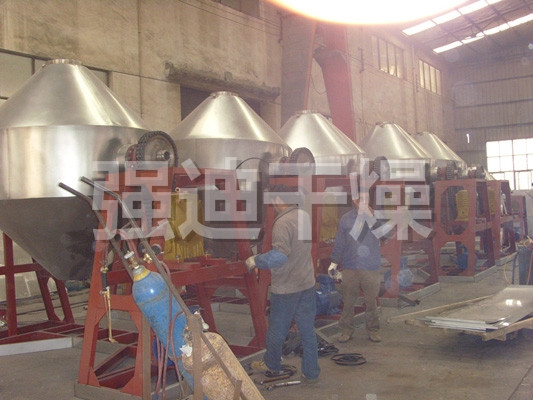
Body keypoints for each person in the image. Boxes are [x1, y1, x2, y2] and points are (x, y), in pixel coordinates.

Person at [245, 185, 320, 383]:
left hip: (287, 288)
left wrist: (256, 260)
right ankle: (311, 372)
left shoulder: (283, 223)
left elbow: (280, 256)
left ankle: (272, 364)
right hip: (306, 283)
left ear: (278, 199)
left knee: (277, 331)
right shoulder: (304, 216)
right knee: (307, 331)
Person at [328, 193, 382, 343]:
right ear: (354, 200)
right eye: (359, 198)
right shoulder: (346, 219)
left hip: (370, 267)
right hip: (350, 266)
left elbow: (385, 234)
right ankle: (346, 331)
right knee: (348, 301)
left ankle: (373, 330)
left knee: (371, 302)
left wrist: (370, 217)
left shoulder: (375, 217)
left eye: (366, 198)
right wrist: (334, 262)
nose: (362, 201)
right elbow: (340, 242)